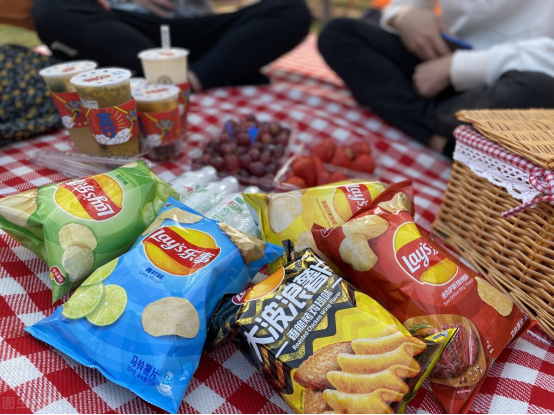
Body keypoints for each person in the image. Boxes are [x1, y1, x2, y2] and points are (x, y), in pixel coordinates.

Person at [318, 1, 554, 156]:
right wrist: (403, 15)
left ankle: (421, 121)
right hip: (437, 56)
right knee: (338, 34)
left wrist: (456, 67)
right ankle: (443, 138)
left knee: (537, 89)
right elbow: (402, 6)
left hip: (510, 83)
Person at [32, 0, 312, 92]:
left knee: (291, 10)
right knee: (51, 8)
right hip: (123, 26)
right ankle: (215, 72)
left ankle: (189, 79)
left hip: (200, 28)